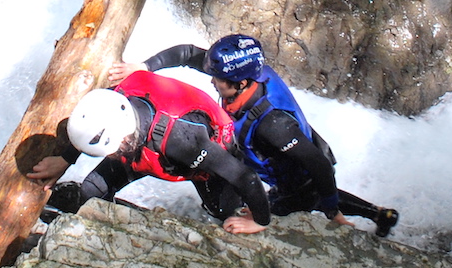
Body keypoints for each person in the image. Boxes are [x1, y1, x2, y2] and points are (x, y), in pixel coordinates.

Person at [114, 33, 399, 237]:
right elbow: (188, 54)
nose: (212, 81)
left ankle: (369, 214)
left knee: (301, 200)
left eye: (218, 80)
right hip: (293, 151)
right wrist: (145, 67)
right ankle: (380, 214)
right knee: (311, 196)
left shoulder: (271, 124)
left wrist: (331, 211)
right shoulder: (243, 72)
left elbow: (319, 166)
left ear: (241, 83)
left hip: (297, 169)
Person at [23, 66, 272, 228]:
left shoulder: (183, 141)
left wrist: (259, 221)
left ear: (121, 142)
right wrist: (66, 159)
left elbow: (245, 177)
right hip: (145, 143)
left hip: (201, 156)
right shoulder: (115, 98)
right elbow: (91, 121)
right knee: (91, 191)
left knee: (224, 215)